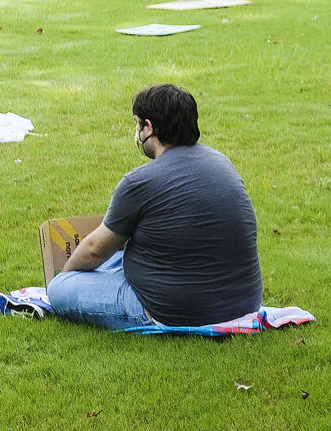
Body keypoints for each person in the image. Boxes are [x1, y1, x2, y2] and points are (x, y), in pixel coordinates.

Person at [49, 84, 263, 331]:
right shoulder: (222, 162)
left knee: (59, 288)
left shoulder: (139, 181)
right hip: (244, 303)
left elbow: (95, 249)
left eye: (138, 124)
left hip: (173, 310)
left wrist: (67, 274)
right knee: (121, 255)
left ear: (148, 127)